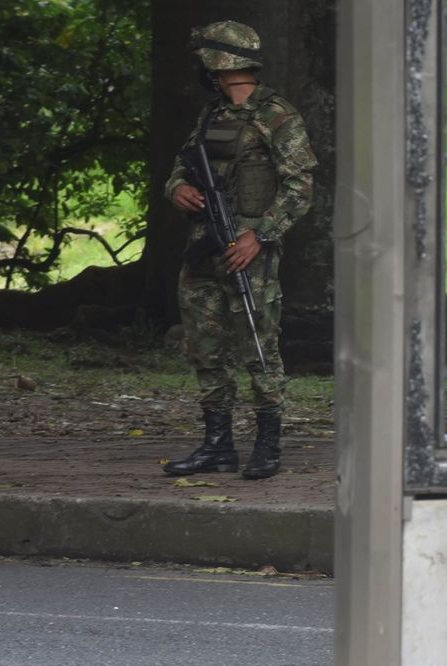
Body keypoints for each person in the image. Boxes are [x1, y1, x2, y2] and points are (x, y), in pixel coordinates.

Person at [162, 21, 317, 479]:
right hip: (203, 249)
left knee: (258, 346)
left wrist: (261, 234)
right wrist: (177, 190)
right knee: (204, 349)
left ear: (218, 63)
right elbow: (180, 168)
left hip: (250, 254)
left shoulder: (276, 115)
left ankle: (268, 445)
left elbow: (300, 185)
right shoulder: (210, 115)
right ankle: (218, 445)